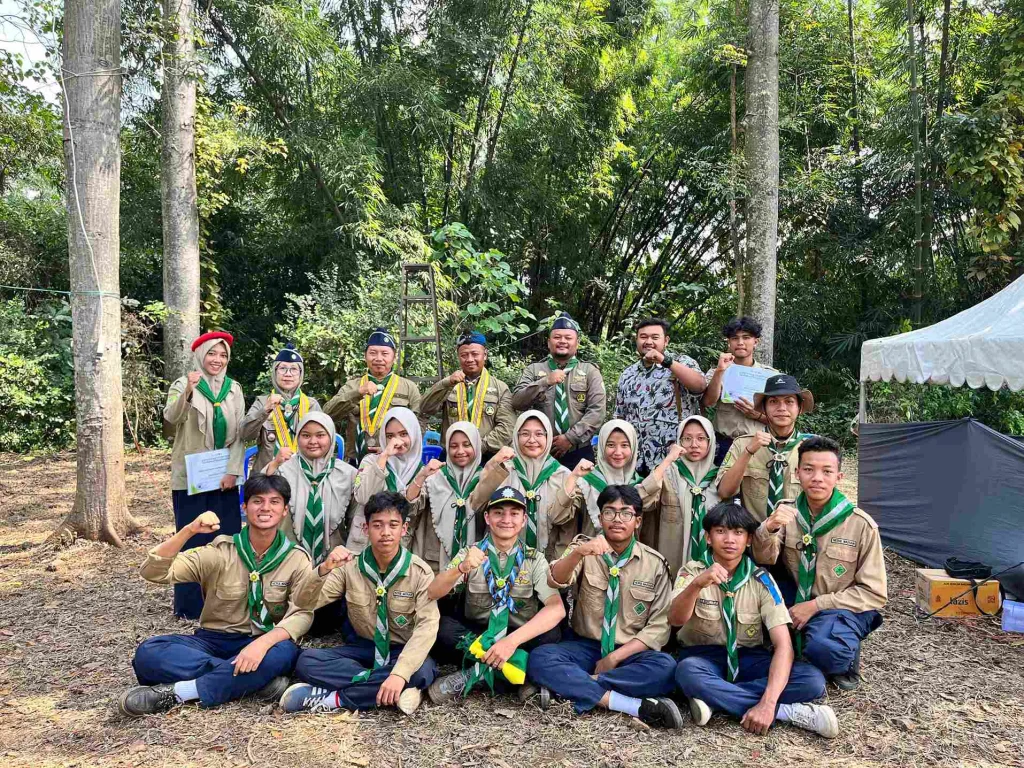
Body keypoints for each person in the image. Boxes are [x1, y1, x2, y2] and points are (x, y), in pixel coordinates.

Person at [117, 474, 311, 717]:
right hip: (212, 641)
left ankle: (179, 692)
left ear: (284, 511)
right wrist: (189, 530)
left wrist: (261, 644)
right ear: (244, 507)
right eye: (257, 501)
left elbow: (302, 613)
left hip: (264, 641)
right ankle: (257, 682)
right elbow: (153, 572)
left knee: (284, 653)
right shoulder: (220, 552)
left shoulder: (296, 558)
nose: (265, 508)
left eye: (274, 502)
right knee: (149, 651)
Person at [671, 501, 838, 738]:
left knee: (812, 680)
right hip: (703, 657)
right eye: (721, 531)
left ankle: (715, 701)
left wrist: (767, 702)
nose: (730, 539)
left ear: (749, 540)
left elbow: (783, 645)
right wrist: (697, 585)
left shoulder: (762, 580)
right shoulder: (692, 571)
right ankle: (785, 712)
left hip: (749, 657)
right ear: (708, 537)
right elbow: (675, 620)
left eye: (738, 532)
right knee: (686, 672)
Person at [526, 485, 683, 728]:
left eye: (626, 513)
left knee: (666, 668)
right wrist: (578, 553)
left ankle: (573, 685)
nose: (617, 519)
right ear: (600, 518)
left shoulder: (654, 563)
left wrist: (615, 657)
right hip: (585, 646)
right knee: (540, 658)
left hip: (629, 653)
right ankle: (627, 704)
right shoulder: (583, 547)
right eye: (609, 512)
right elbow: (554, 578)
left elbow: (659, 627)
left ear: (638, 521)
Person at [279, 492, 439, 715]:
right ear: (366, 529)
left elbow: (427, 628)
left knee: (422, 669)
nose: (385, 533)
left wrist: (399, 673)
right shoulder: (349, 566)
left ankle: (334, 699)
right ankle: (397, 690)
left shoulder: (420, 572)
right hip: (364, 647)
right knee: (307, 662)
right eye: (377, 525)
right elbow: (304, 602)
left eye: (393, 525)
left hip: (401, 649)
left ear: (404, 529)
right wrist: (324, 569)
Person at [751, 436, 886, 690]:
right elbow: (762, 558)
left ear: (839, 477)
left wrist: (815, 605)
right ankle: (798, 656)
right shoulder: (787, 512)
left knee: (827, 649)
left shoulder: (861, 525)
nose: (817, 478)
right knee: (746, 634)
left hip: (838, 606)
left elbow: (874, 593)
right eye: (809, 470)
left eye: (827, 471)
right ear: (797, 473)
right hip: (793, 596)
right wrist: (768, 527)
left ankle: (836, 655)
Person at [426, 486, 565, 704]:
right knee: (442, 628)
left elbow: (556, 608)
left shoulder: (534, 559)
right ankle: (518, 677)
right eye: (499, 513)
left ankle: (473, 674)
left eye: (514, 513)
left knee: (551, 635)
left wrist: (510, 642)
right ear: (487, 518)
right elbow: (433, 592)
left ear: (523, 519)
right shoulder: (470, 553)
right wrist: (460, 568)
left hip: (519, 635)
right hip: (478, 636)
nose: (506, 519)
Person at [162, 331, 246, 619]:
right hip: (192, 477)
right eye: (212, 353)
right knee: (192, 538)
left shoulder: (234, 388)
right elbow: (171, 418)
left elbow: (240, 436)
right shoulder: (183, 384)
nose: (217, 360)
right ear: (200, 355)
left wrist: (234, 471)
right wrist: (187, 389)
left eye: (223, 355)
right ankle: (191, 606)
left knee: (227, 537)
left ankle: (227, 601)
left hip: (224, 476)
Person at [405, 421, 512, 575]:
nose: (460, 451)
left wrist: (494, 464)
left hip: (475, 566)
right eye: (454, 446)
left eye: (467, 445)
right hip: (434, 563)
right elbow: (410, 508)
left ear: (476, 445)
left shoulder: (487, 479)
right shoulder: (436, 476)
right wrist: (422, 475)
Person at [552, 419, 683, 539]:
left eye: (625, 445)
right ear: (602, 446)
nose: (618, 452)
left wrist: (668, 460)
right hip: (591, 559)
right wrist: (574, 476)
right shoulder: (587, 481)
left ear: (633, 447)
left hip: (631, 561)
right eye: (611, 445)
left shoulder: (637, 483)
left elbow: (644, 495)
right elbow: (559, 516)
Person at [511, 313, 606, 468]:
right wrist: (545, 382)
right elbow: (517, 402)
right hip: (540, 450)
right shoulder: (533, 370)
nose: (562, 341)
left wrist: (570, 438)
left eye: (568, 338)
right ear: (549, 343)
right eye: (557, 337)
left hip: (579, 451)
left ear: (577, 343)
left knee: (580, 492)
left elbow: (597, 411)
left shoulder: (590, 371)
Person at [614, 318, 707, 476]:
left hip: (673, 458)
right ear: (636, 339)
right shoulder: (628, 374)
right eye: (643, 337)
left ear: (666, 341)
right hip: (635, 461)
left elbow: (700, 386)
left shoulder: (682, 362)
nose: (648, 341)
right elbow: (620, 415)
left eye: (655, 337)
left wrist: (666, 361)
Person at [478, 410, 574, 563]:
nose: (532, 440)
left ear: (549, 437)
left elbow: (567, 530)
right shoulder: (504, 469)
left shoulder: (563, 476)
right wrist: (492, 465)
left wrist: (556, 563)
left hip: (548, 561)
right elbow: (477, 504)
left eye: (539, 434)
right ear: (516, 436)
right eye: (525, 434)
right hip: (502, 561)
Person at [716, 374, 814, 523]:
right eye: (774, 402)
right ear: (764, 408)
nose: (782, 408)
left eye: (789, 401)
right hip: (755, 536)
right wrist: (748, 452)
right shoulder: (743, 444)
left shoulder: (813, 448)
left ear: (799, 408)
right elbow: (725, 492)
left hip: (798, 537)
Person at [345, 406, 440, 555]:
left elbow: (411, 510)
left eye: (403, 434)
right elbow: (363, 497)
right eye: (390, 436)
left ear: (414, 434)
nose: (397, 440)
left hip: (399, 547)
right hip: (363, 544)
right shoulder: (371, 461)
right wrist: (384, 456)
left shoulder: (423, 470)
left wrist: (421, 477)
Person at [323, 328, 421, 464]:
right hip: (355, 460)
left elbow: (419, 423)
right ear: (365, 356)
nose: (378, 358)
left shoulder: (408, 387)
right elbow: (327, 414)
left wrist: (400, 448)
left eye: (385, 353)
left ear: (394, 357)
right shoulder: (352, 386)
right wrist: (358, 393)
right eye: (373, 353)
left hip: (395, 459)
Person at [419, 332, 516, 460]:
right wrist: (446, 384)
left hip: (488, 456)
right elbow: (425, 408)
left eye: (475, 354)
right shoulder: (449, 384)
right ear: (458, 356)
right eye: (464, 355)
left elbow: (507, 428)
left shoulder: (500, 388)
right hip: (452, 456)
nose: (470, 359)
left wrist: (477, 447)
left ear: (485, 355)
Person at [644, 416, 721, 576]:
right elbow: (642, 501)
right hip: (672, 564)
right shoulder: (669, 472)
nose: (694, 445)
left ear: (711, 442)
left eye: (701, 438)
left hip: (712, 568)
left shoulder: (720, 477)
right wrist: (668, 460)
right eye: (687, 438)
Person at [701, 317, 778, 464]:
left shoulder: (770, 375)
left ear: (756, 342)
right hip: (724, 444)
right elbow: (709, 402)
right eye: (735, 338)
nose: (740, 342)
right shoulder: (717, 371)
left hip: (758, 443)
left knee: (755, 486)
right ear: (728, 342)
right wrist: (720, 371)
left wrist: (755, 414)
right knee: (723, 486)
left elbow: (780, 419)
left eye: (746, 338)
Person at [240, 343, 321, 475]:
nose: (288, 374)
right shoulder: (262, 402)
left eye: (294, 369)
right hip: (267, 476)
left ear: (301, 374)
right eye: (282, 368)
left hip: (303, 475)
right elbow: (245, 435)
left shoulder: (311, 405)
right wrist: (265, 410)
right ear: (274, 372)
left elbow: (324, 443)